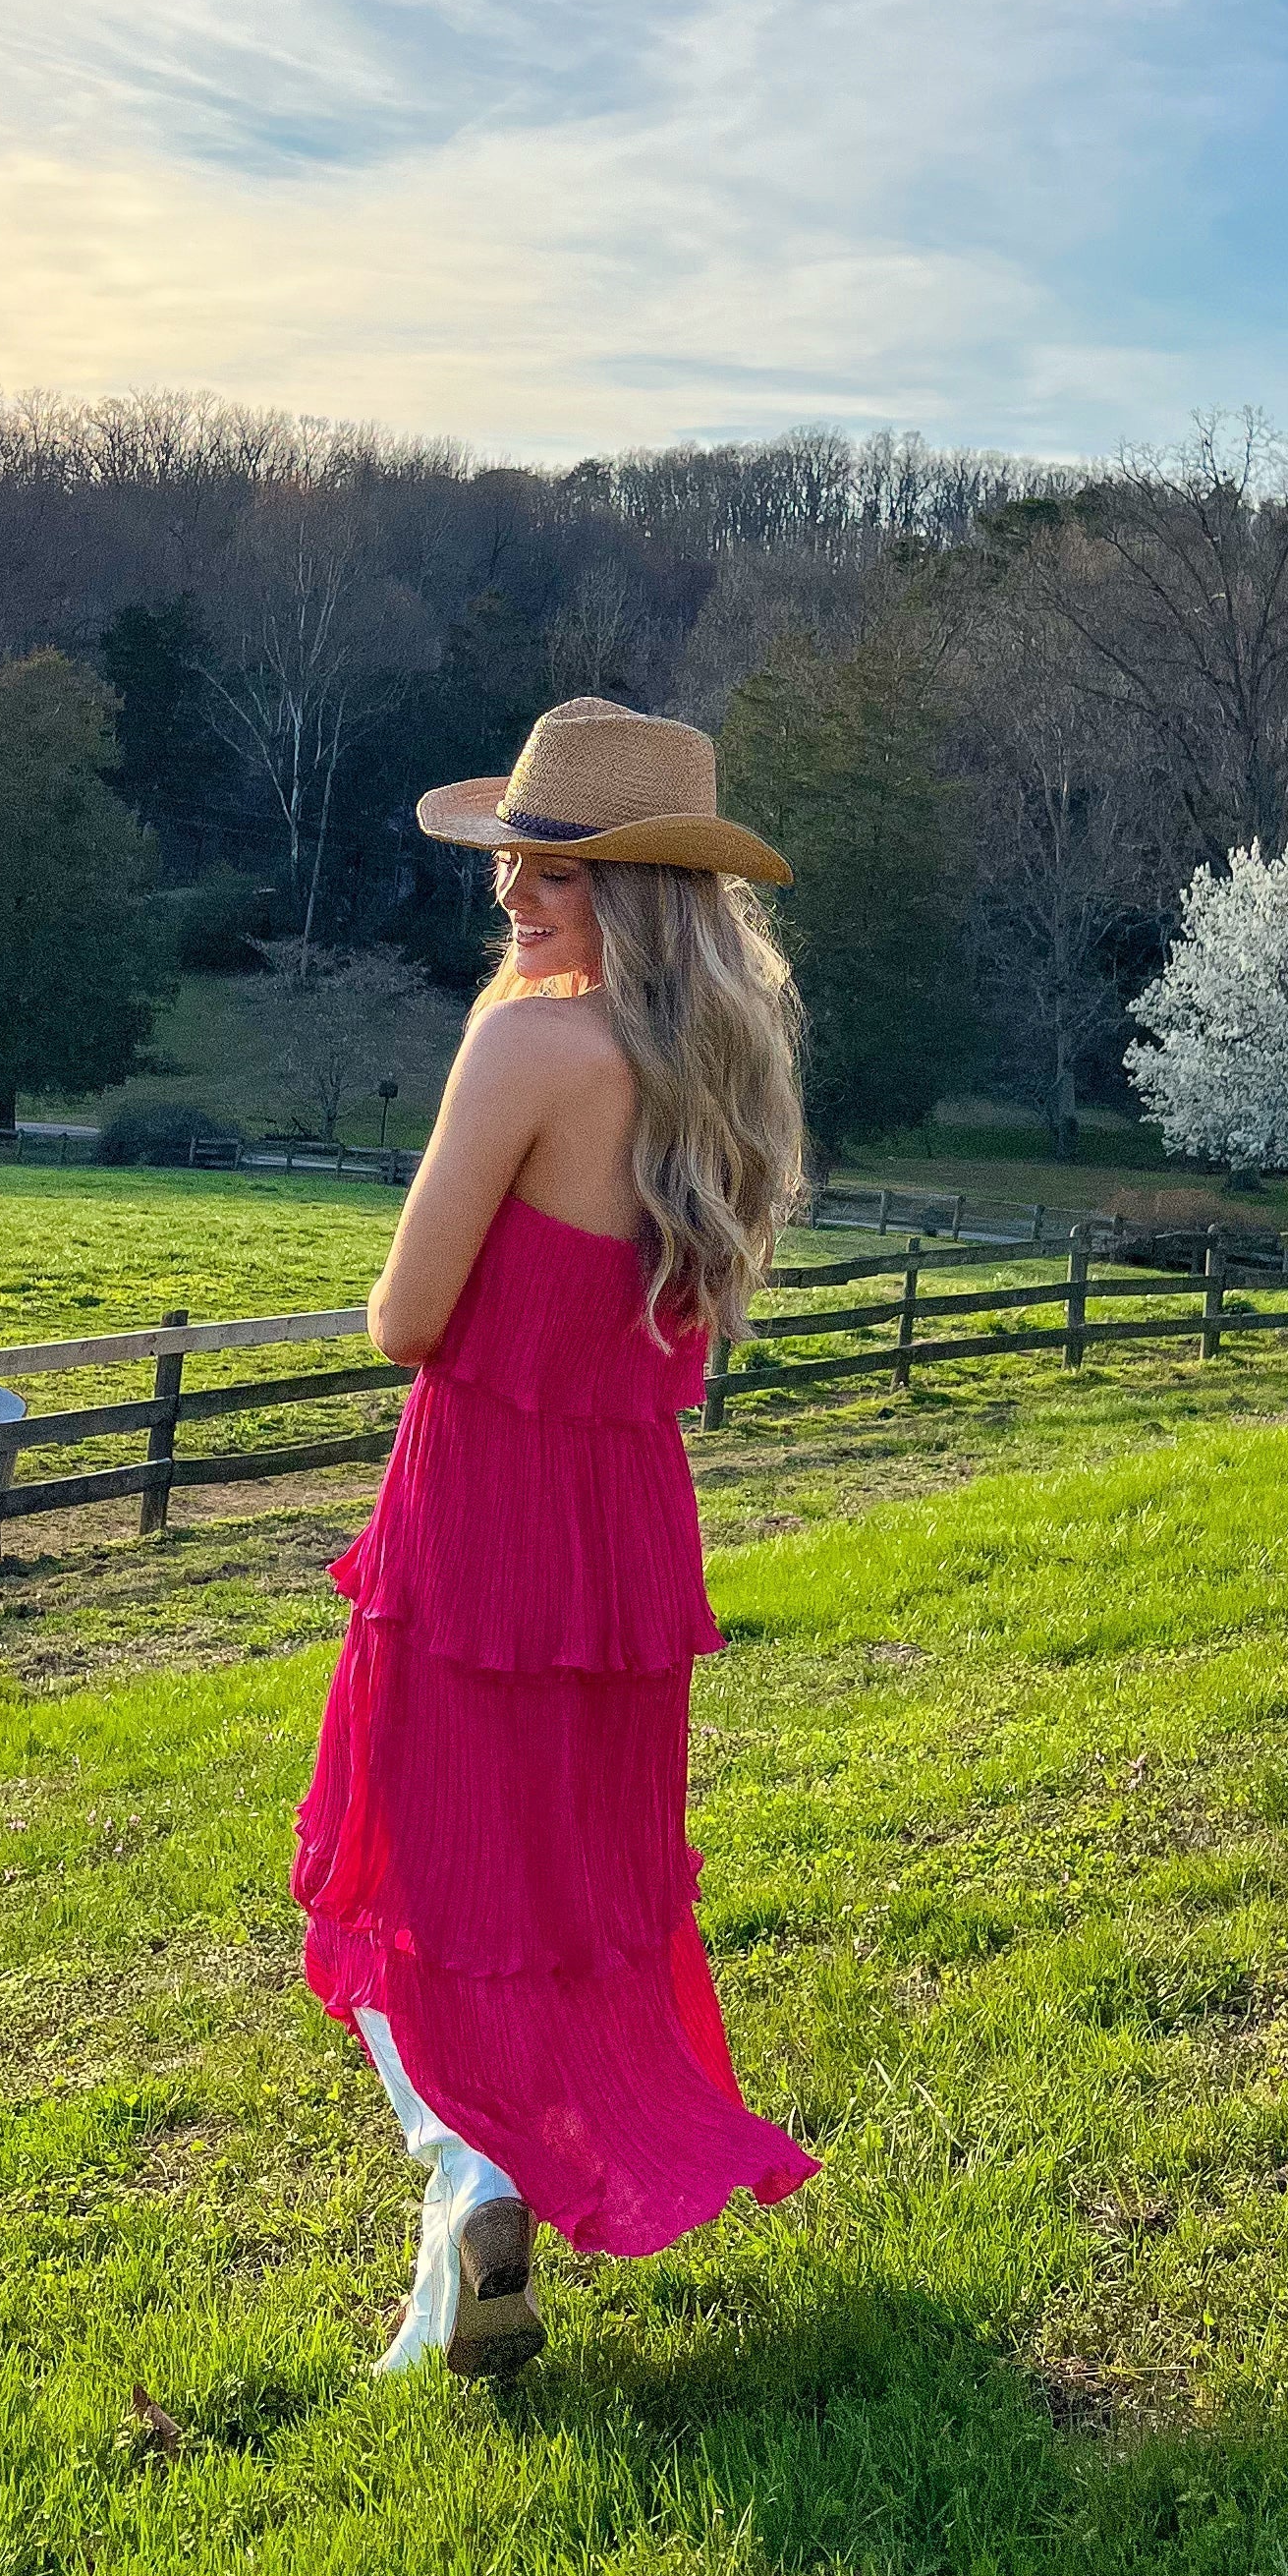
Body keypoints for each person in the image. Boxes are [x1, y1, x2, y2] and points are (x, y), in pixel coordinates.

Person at [290, 696, 821, 2379]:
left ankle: (471, 2168)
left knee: (400, 1859)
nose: (520, 894)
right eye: (516, 860)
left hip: (480, 1515)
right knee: (572, 1882)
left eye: (562, 871)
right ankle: (474, 2218)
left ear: (647, 891)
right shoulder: (720, 1076)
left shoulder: (529, 1046)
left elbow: (403, 1316)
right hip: (626, 1542)